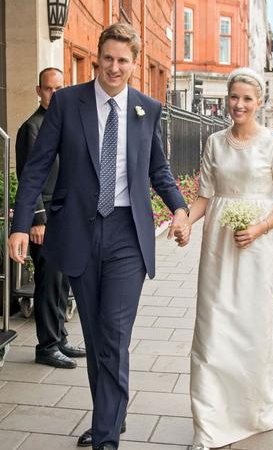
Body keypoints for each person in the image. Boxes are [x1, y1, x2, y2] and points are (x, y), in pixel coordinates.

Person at [7, 23, 191, 450]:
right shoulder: (68, 103)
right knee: (94, 333)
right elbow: (37, 166)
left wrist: (180, 208)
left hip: (128, 233)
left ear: (134, 63)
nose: (114, 66)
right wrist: (20, 226)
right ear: (97, 57)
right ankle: (112, 414)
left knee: (113, 333)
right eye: (108, 57)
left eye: (123, 60)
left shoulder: (148, 108)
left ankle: (106, 437)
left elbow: (158, 170)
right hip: (78, 232)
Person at [185, 67, 273, 450]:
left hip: (257, 250)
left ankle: (254, 410)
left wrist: (261, 228)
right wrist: (185, 220)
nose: (239, 104)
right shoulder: (215, 142)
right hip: (218, 247)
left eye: (247, 98)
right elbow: (204, 195)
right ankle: (210, 423)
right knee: (212, 329)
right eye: (234, 97)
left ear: (259, 102)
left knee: (253, 328)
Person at [15, 67, 86, 369]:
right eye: (49, 89)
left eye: (60, 88)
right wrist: (36, 220)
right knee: (48, 283)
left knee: (62, 282)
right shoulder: (32, 127)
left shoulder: (62, 124)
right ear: (38, 91)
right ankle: (46, 346)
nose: (54, 94)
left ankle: (60, 338)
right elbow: (29, 177)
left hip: (66, 217)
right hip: (44, 219)